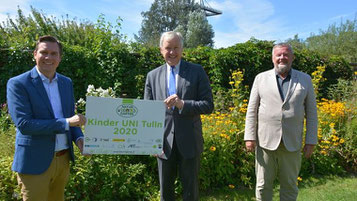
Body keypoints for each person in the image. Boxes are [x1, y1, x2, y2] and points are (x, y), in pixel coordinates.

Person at [6, 35, 86, 201]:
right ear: (35, 54)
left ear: (60, 58)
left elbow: (71, 117)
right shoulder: (18, 83)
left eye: (53, 53)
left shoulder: (66, 83)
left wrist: (79, 139)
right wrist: (66, 123)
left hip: (62, 160)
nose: (48, 57)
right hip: (34, 162)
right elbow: (24, 124)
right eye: (44, 52)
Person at [144, 31, 214, 201]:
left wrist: (183, 104)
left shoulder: (197, 71)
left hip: (190, 140)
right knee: (165, 192)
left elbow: (208, 105)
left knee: (190, 191)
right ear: (161, 50)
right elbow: (147, 112)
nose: (172, 52)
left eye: (176, 48)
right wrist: (151, 142)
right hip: (162, 143)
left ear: (182, 49)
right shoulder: (152, 76)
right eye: (168, 48)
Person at [244, 43, 318, 201]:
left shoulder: (305, 79)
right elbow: (252, 110)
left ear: (292, 57)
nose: (282, 58)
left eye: (285, 54)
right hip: (265, 143)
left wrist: (311, 141)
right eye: (278, 55)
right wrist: (249, 137)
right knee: (263, 186)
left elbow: (312, 113)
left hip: (291, 143)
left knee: (290, 186)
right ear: (273, 58)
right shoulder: (260, 79)